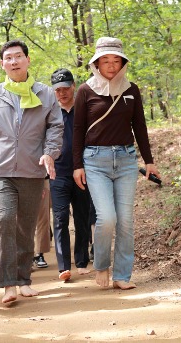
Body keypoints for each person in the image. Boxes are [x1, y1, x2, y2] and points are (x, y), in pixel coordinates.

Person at [0, 39, 63, 304]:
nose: (13, 62)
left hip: (33, 171)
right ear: (2, 64)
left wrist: (50, 153)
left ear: (27, 60)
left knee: (25, 227)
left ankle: (24, 279)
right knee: (4, 221)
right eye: (8, 58)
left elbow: (56, 128)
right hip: (0, 170)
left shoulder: (46, 94)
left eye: (18, 57)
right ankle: (8, 284)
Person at [73, 37, 160, 290]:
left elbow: (140, 127)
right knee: (107, 218)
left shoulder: (131, 90)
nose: (111, 65)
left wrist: (150, 161)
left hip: (126, 160)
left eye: (115, 60)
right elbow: (78, 130)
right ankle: (101, 265)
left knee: (125, 220)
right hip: (95, 161)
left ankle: (122, 275)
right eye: (105, 60)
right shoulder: (85, 91)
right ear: (96, 63)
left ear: (122, 62)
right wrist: (77, 165)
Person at [49, 68, 92, 281]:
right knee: (60, 218)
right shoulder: (49, 113)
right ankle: (64, 266)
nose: (62, 93)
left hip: (82, 171)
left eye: (66, 88)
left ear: (73, 86)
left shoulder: (84, 110)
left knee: (82, 217)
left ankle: (82, 261)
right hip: (57, 174)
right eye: (57, 90)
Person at [33, 178, 51, 269]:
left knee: (43, 217)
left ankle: (39, 254)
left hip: (42, 176)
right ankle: (25, 255)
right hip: (19, 176)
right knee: (21, 217)